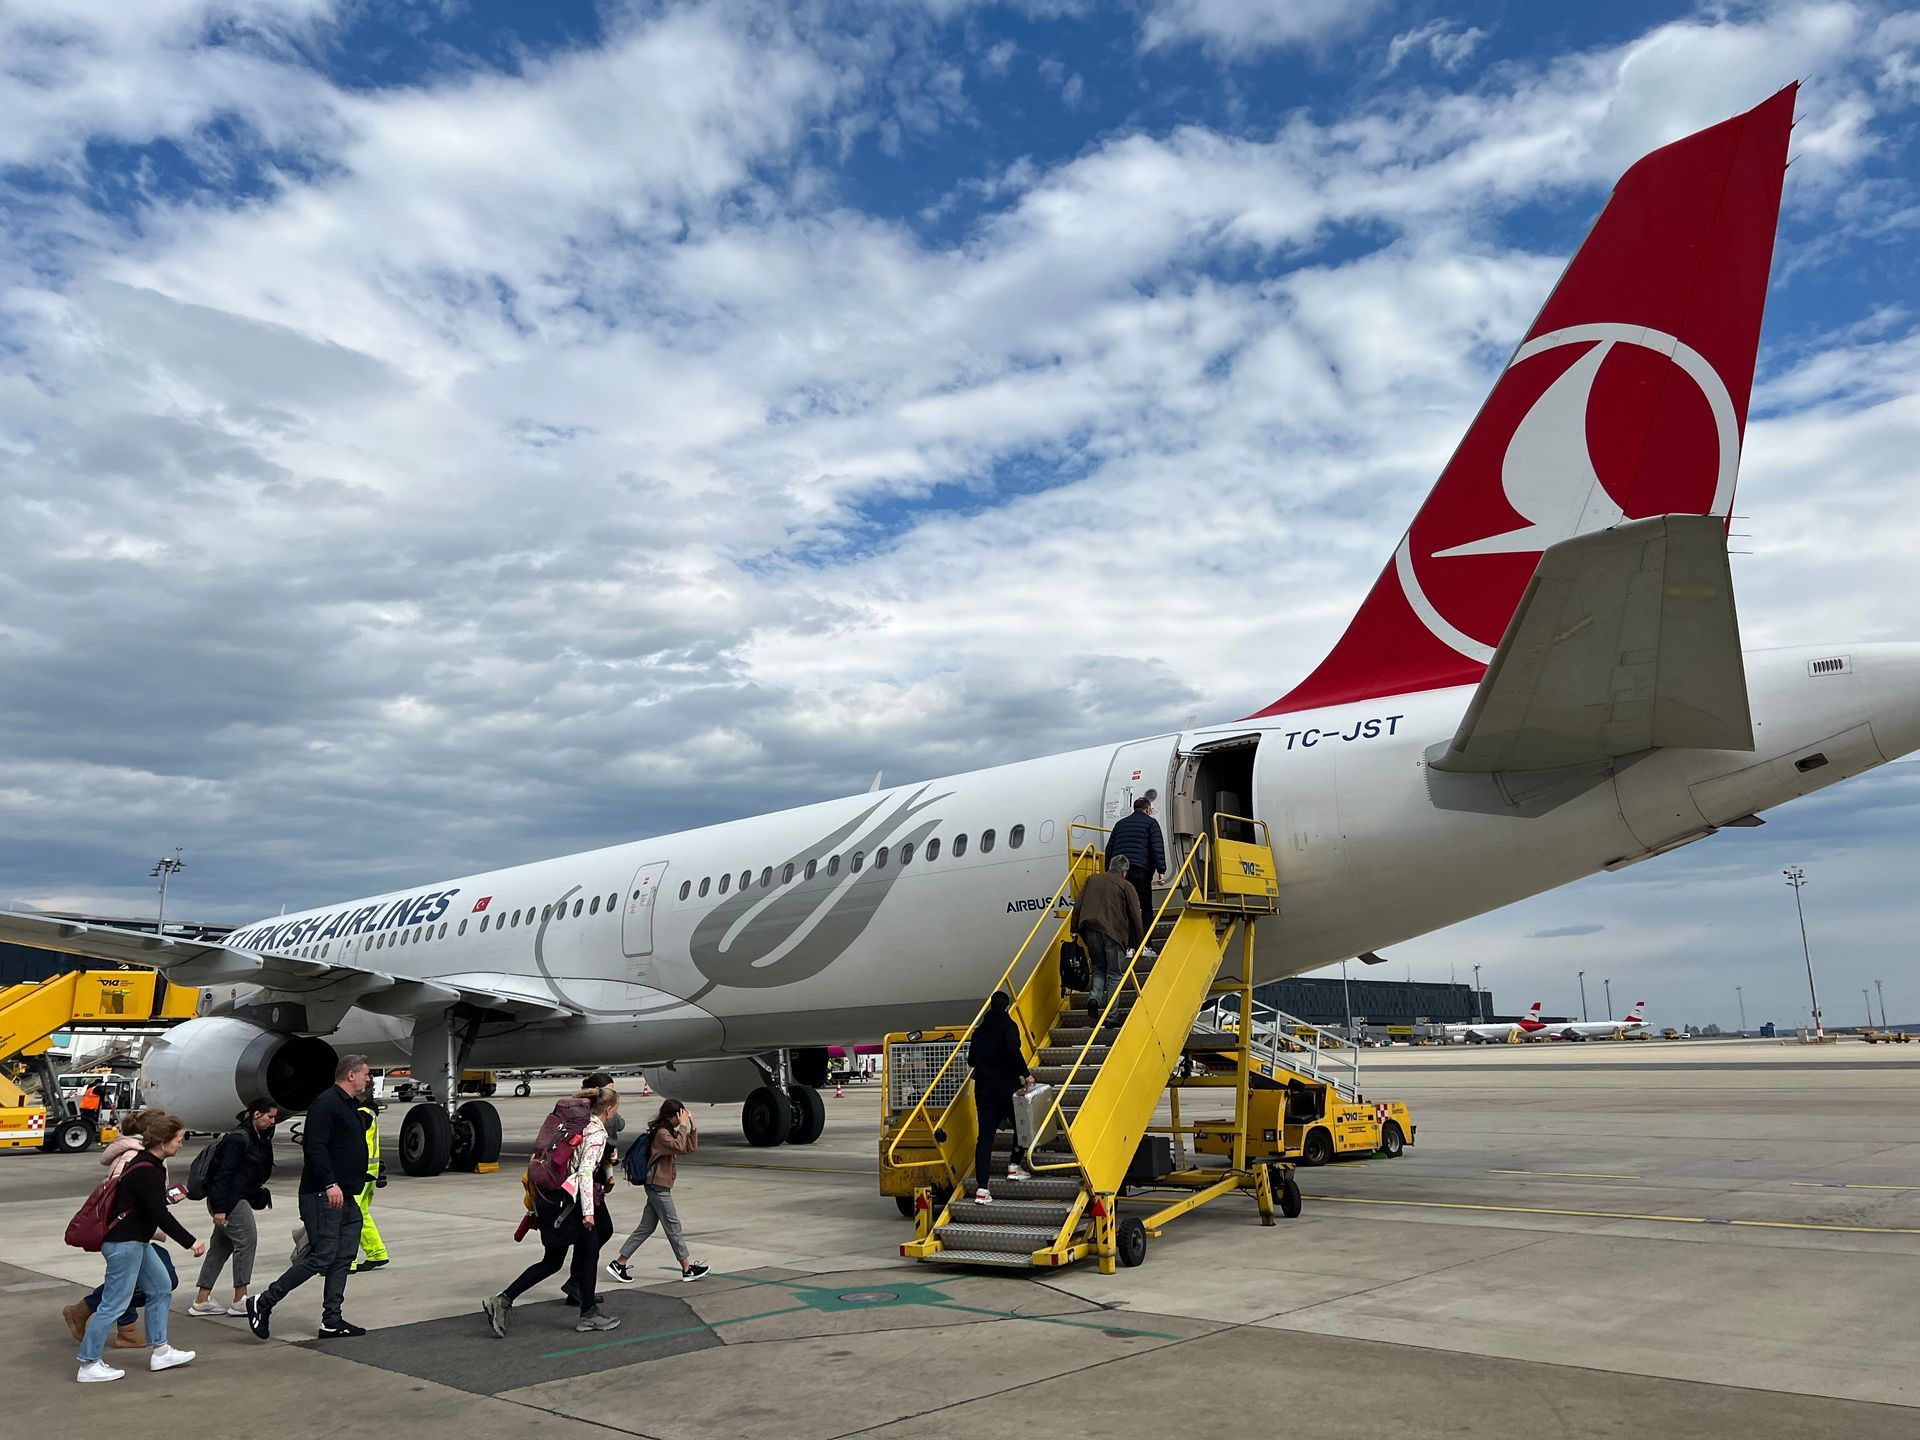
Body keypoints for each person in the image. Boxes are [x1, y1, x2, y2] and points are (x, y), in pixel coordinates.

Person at [247, 1053, 371, 1342]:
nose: (369, 1078)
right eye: (366, 1073)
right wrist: (330, 1183)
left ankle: (332, 1320)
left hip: (346, 1194)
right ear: (351, 1075)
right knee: (322, 1256)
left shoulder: (349, 1105)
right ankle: (264, 1301)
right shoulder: (326, 1104)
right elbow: (316, 1147)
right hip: (323, 1193)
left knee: (344, 1256)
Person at [75, 1111, 205, 1383]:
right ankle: (88, 1364)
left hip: (137, 1241)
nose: (181, 1144)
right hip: (124, 1244)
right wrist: (191, 1242)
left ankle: (161, 1351)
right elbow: (159, 1214)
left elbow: (150, 1206)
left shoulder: (150, 1164)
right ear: (163, 1143)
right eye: (178, 1139)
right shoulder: (146, 1170)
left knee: (161, 1287)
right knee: (113, 1305)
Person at [482, 1084, 623, 1336]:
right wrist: (588, 1213)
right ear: (609, 1110)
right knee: (585, 1251)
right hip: (572, 1203)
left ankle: (502, 1300)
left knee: (554, 1261)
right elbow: (584, 1172)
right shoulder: (596, 1132)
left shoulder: (575, 1124)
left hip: (552, 1199)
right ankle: (588, 1313)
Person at [62, 1109, 172, 1350]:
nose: (178, 1140)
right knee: (121, 1293)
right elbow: (123, 1198)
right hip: (126, 1234)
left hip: (137, 1233)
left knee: (158, 1283)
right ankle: (97, 1342)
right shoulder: (134, 1158)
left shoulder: (145, 1156)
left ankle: (153, 1344)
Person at [188, 1099, 278, 1316]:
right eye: (270, 1117)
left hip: (232, 1200)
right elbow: (223, 1175)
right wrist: (221, 1209)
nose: (272, 1122)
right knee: (247, 1241)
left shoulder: (256, 1137)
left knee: (221, 1247)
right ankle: (240, 1300)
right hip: (230, 1202)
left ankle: (202, 1300)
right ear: (256, 1114)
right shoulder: (238, 1139)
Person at [605, 1098, 709, 1284]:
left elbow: (688, 1148)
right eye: (679, 1116)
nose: (681, 1119)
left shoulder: (669, 1132)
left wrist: (692, 1126)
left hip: (660, 1185)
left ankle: (619, 1263)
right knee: (673, 1226)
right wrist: (683, 1126)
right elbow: (679, 1146)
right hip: (657, 1186)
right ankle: (687, 1269)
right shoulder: (661, 1134)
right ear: (670, 1116)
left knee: (646, 1227)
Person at [966, 991, 1035, 1204]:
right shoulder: (1009, 1026)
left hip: (984, 1091)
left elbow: (971, 1061)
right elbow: (1013, 1051)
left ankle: (982, 1189)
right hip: (1006, 1088)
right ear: (1007, 1007)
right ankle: (1014, 1165)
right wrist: (1026, 1075)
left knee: (985, 1139)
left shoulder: (978, 1032)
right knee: (1022, 1126)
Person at [1071, 854, 1145, 1012]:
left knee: (1098, 968)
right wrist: (1141, 942)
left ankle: (1094, 997)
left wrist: (1074, 929)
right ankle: (1111, 1016)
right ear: (1124, 870)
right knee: (1114, 975)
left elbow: (1078, 905)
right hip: (1113, 933)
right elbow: (1135, 915)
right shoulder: (1126, 885)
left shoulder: (1091, 880)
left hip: (1090, 930)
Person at [1106, 792, 1168, 926]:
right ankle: (1145, 938)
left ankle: (1127, 939)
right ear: (1148, 809)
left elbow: (1109, 849)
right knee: (1145, 906)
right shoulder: (1151, 823)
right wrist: (1161, 871)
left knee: (1124, 906)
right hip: (1140, 870)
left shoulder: (1120, 824)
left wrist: (1109, 872)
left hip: (1120, 872)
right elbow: (1157, 847)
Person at [350, 1097, 388, 1273]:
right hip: (370, 1171)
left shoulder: (361, 1115)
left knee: (350, 1216)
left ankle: (348, 1261)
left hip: (359, 1172)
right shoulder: (370, 1114)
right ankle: (377, 1253)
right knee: (362, 1213)